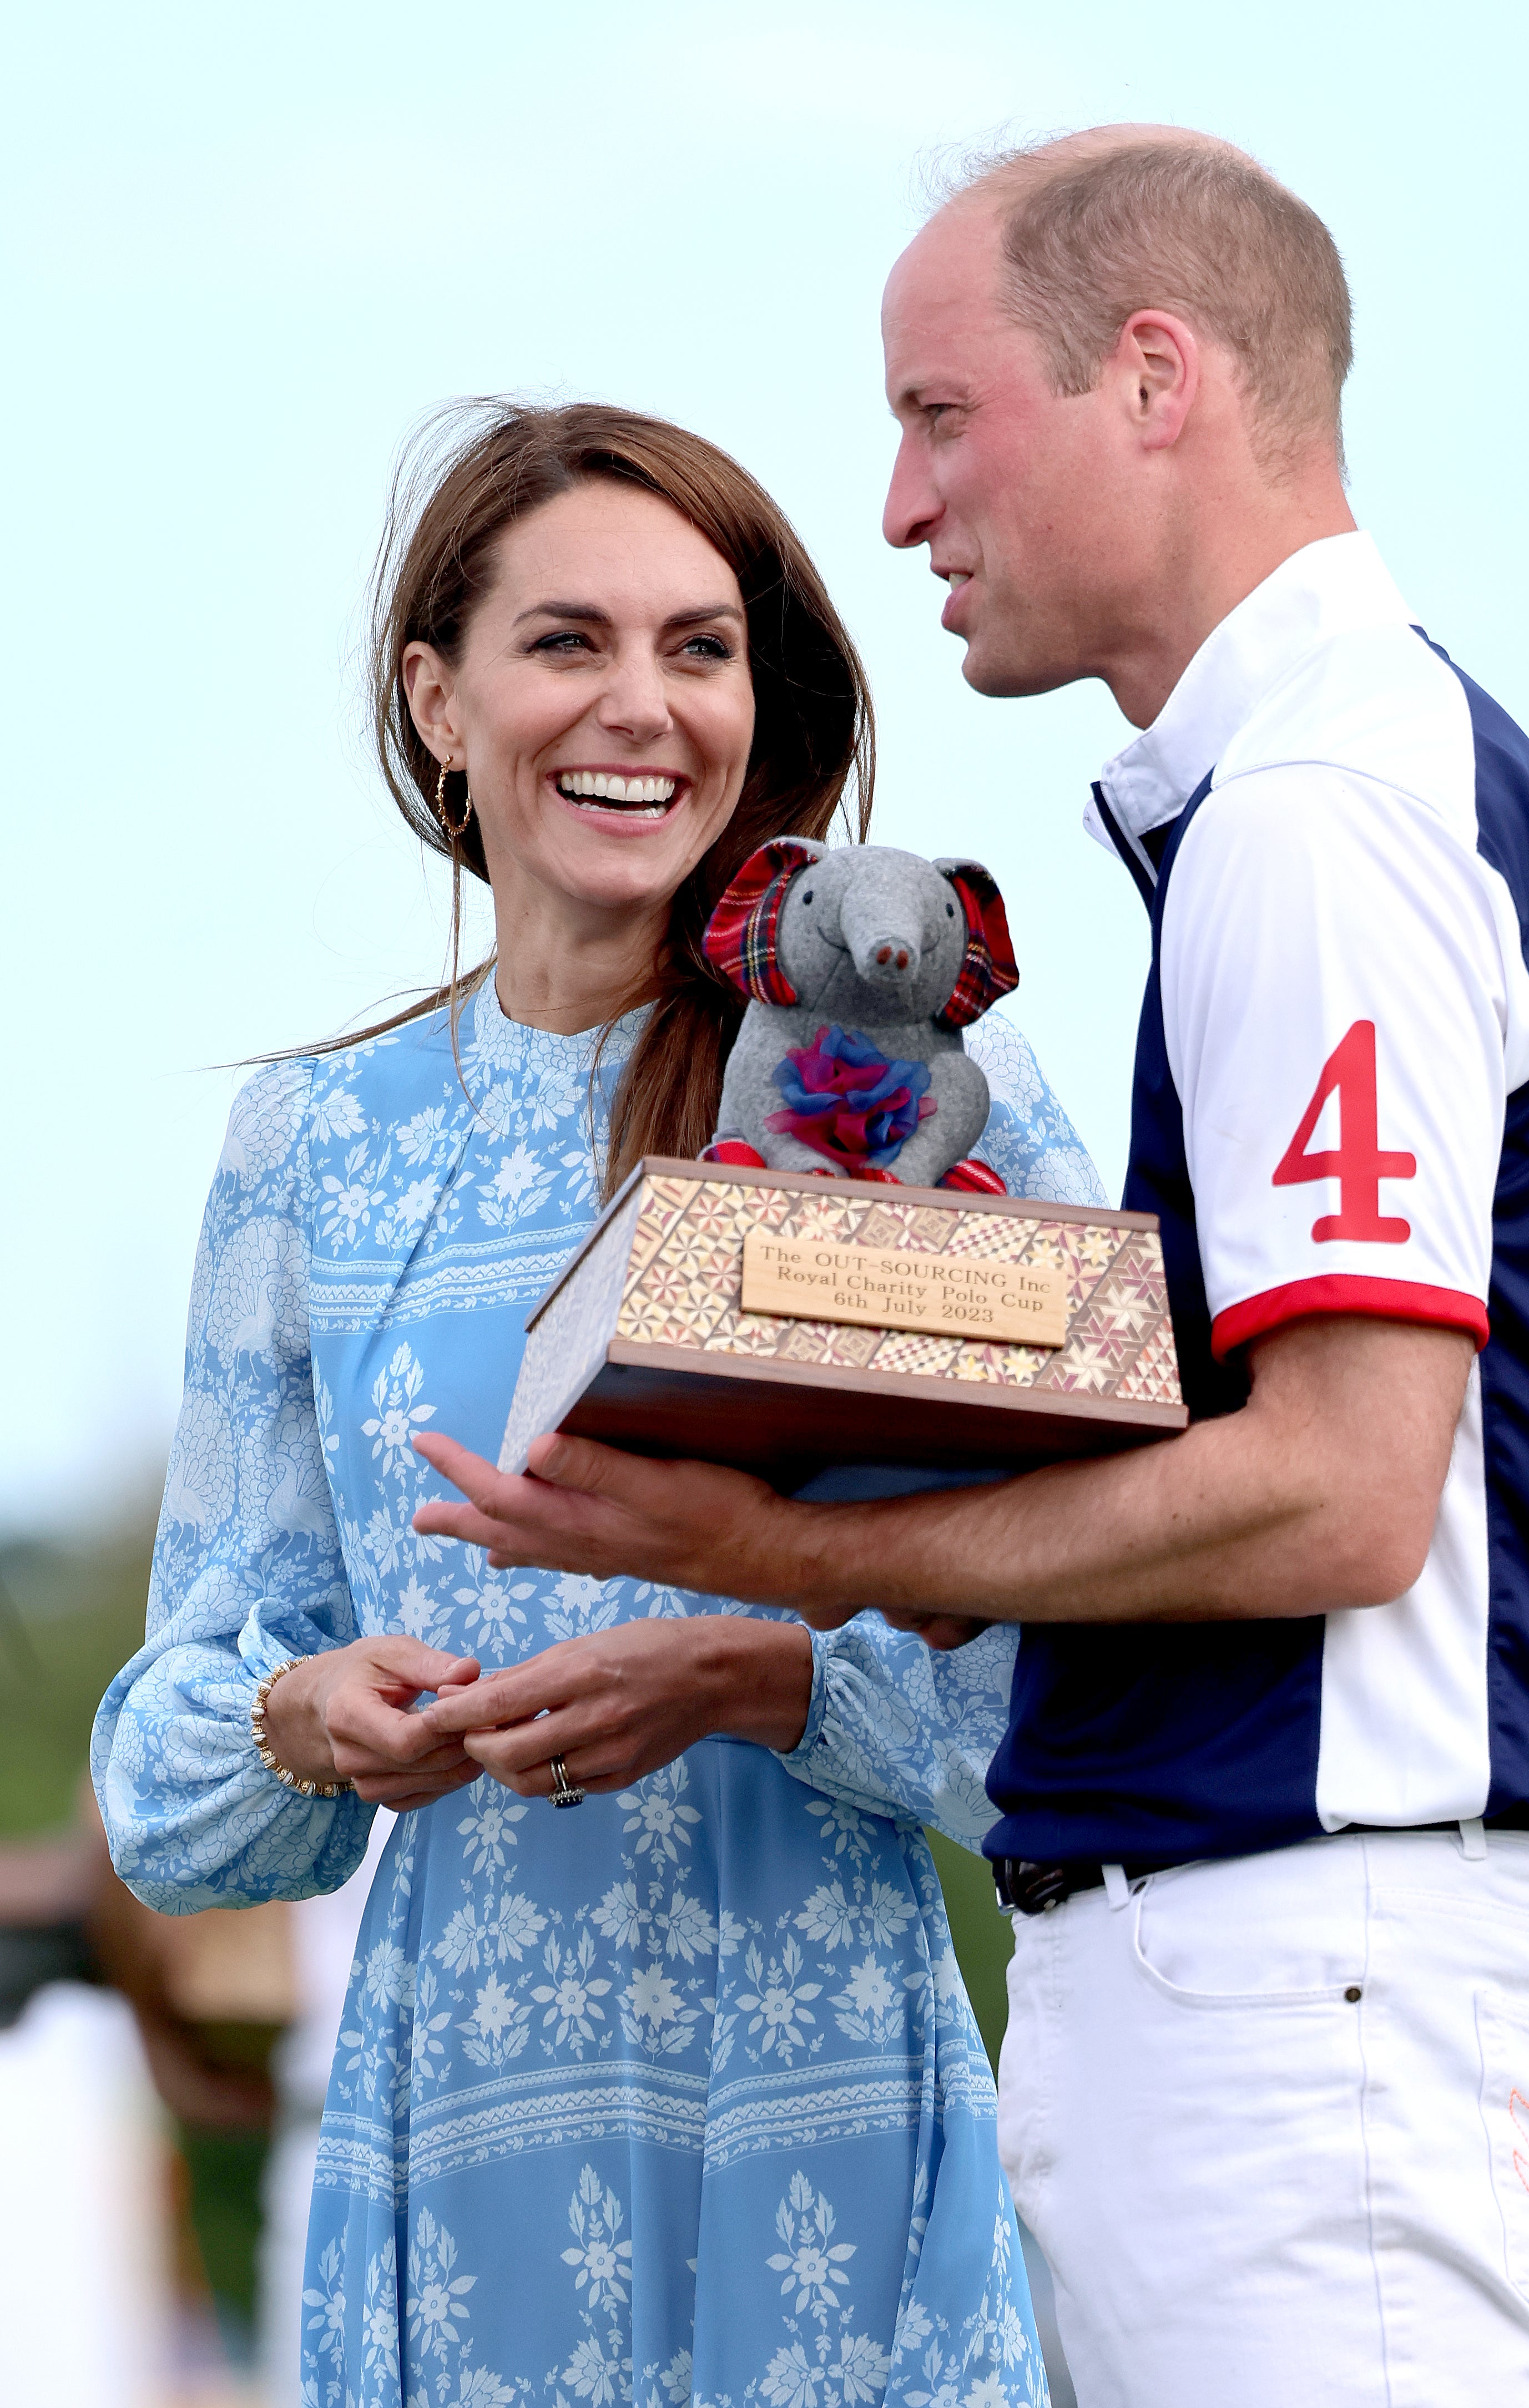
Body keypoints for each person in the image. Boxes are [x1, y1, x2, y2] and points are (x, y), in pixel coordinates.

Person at [411, 133, 1529, 2406]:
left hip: (1324, 1987)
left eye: (935, 414)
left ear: (1154, 378)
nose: (898, 509)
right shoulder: (1317, 788)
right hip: (1307, 1994)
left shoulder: (1318, 808)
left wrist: (795, 1546)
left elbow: (1340, 1490)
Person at [93, 399, 1105, 2408]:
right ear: (437, 699)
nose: (639, 706)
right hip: (453, 2145)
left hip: (823, 2111)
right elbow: (166, 1796)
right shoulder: (308, 1147)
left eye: (699, 648)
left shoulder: (910, 1110)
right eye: (567, 640)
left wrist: (767, 1674)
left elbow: (1074, 1715)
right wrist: (303, 1716)